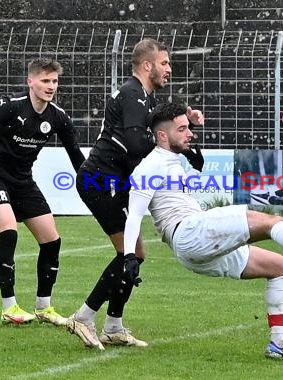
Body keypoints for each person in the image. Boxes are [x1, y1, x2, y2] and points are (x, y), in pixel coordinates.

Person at [66, 102, 283, 357]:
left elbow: (182, 166)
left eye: (189, 127)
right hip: (188, 232)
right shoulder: (149, 166)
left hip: (195, 249)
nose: (189, 133)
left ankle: (279, 343)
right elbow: (133, 216)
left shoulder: (172, 159)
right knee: (270, 221)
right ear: (161, 135)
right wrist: (130, 257)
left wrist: (187, 151)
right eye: (181, 129)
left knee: (278, 266)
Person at [66, 39, 204, 349]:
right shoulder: (132, 94)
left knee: (135, 254)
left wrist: (184, 118)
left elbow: (154, 128)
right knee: (130, 253)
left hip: (114, 181)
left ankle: (114, 326)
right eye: (164, 63)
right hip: (101, 181)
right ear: (147, 65)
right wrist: (179, 148)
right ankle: (84, 316)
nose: (169, 69)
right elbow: (136, 144)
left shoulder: (140, 96)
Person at [0, 58, 85, 325]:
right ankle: (9, 307)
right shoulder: (8, 107)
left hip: (23, 181)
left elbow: (77, 158)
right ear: (30, 82)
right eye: (45, 81)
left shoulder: (58, 117)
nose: (51, 86)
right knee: (9, 231)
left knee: (52, 241)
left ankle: (44, 308)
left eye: (54, 81)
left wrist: (96, 182)